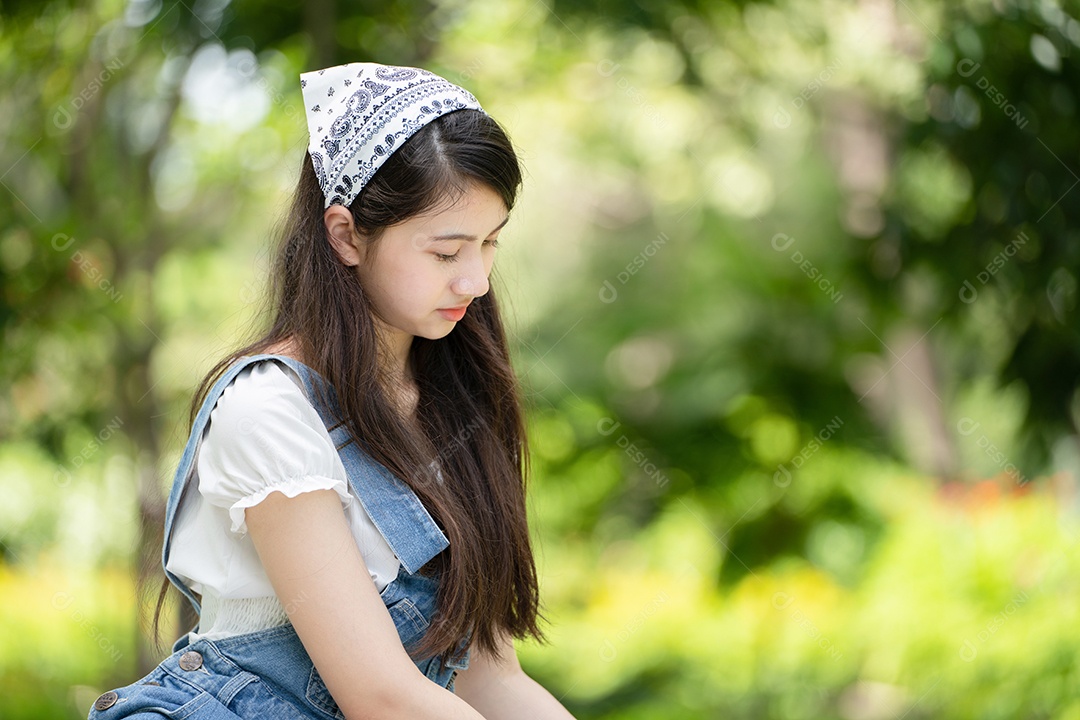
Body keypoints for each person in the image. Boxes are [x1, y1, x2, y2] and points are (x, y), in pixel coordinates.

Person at [87, 62, 576, 719]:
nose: (477, 281)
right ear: (346, 235)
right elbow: (381, 698)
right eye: (446, 252)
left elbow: (492, 678)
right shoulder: (270, 409)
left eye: (490, 243)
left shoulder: (449, 398)